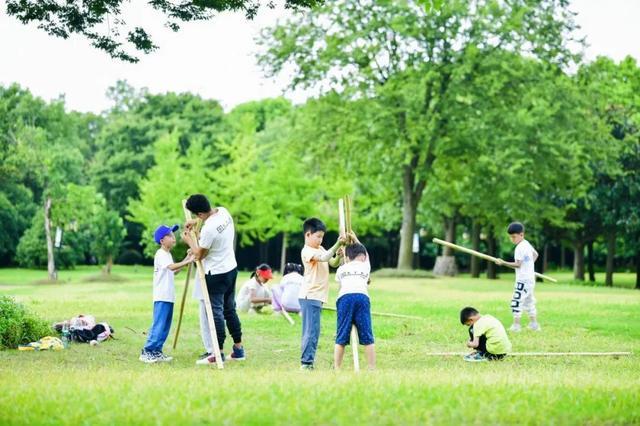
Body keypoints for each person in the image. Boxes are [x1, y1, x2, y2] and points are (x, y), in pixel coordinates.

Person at [182, 194, 245, 365]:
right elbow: (209, 218)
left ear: (200, 214)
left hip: (216, 274)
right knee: (230, 310)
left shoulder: (209, 229)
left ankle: (217, 353)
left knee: (215, 313)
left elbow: (199, 254)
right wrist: (196, 222)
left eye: (197, 216)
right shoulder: (224, 213)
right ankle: (238, 349)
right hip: (231, 269)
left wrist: (188, 240)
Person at [139, 224, 193, 364]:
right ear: (162, 240)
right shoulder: (160, 254)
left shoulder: (167, 254)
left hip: (168, 296)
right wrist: (189, 260)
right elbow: (171, 267)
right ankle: (147, 351)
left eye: (173, 235)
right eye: (170, 236)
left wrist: (186, 260)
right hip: (162, 296)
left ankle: (157, 351)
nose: (173, 238)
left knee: (165, 326)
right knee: (159, 325)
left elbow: (174, 271)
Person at [299, 217, 345, 371]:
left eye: (322, 237)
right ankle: (306, 363)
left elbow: (332, 262)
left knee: (314, 331)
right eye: (317, 236)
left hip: (317, 296)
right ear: (307, 235)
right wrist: (338, 243)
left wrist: (338, 254)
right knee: (311, 331)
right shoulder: (307, 251)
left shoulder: (321, 248)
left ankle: (308, 362)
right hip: (310, 295)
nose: (320, 240)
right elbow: (325, 258)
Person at [333, 234, 375, 370]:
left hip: (344, 298)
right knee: (367, 334)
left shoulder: (341, 269)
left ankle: (337, 367)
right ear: (362, 256)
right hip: (362, 297)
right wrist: (355, 238)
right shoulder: (365, 266)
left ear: (348, 257)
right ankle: (371, 367)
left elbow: (340, 285)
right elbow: (366, 253)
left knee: (341, 335)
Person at [494, 222, 541, 332]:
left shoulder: (519, 248)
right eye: (510, 237)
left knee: (516, 301)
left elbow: (518, 264)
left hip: (523, 280)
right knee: (529, 301)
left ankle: (516, 326)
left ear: (521, 234)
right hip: (530, 279)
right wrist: (529, 267)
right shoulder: (527, 244)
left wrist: (503, 262)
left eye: (514, 237)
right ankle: (534, 324)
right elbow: (536, 255)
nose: (512, 239)